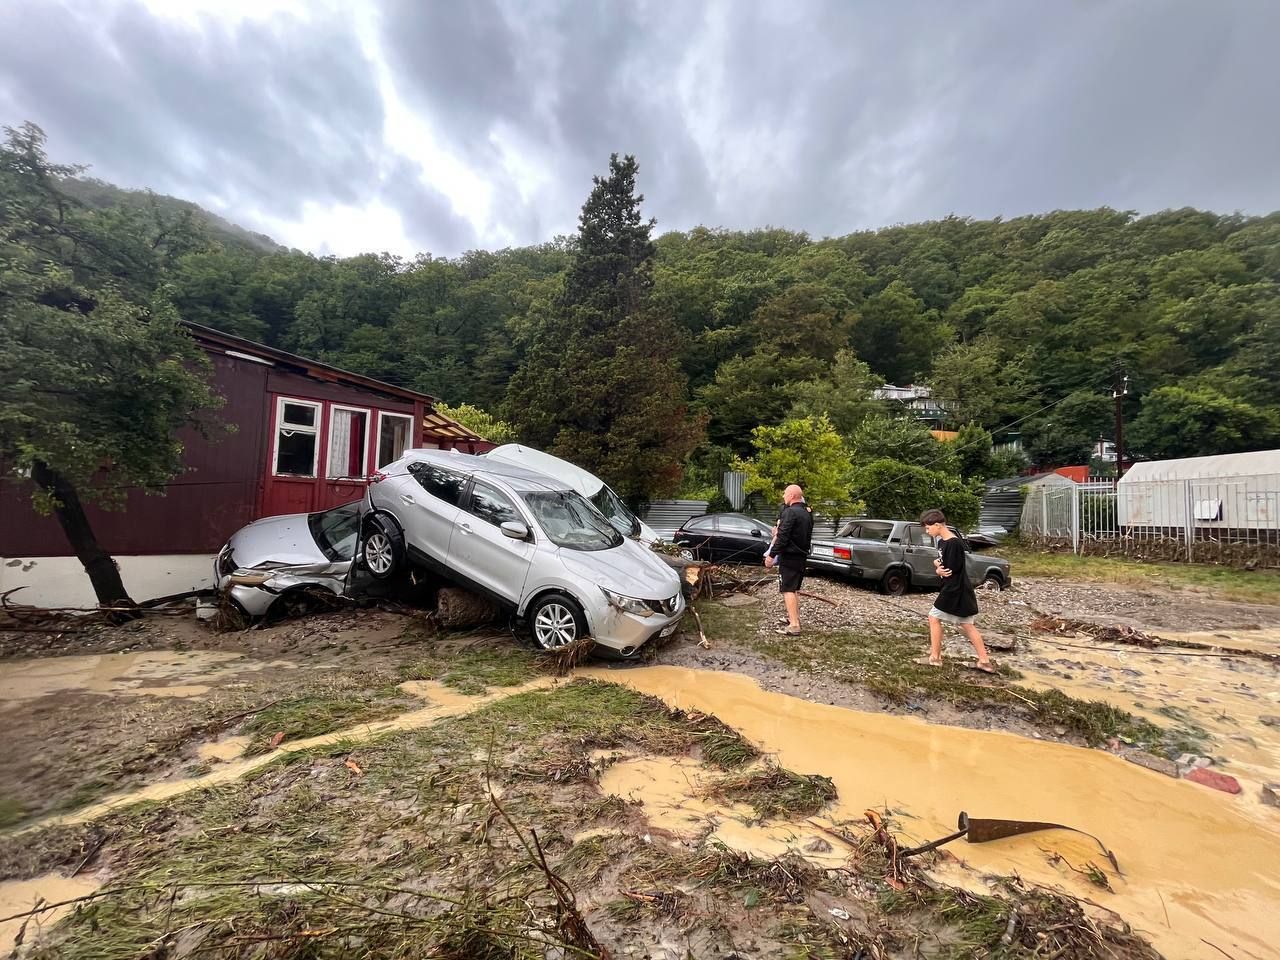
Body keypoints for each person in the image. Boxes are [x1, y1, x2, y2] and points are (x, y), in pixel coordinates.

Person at [919, 508, 995, 673]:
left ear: (938, 525)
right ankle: (984, 661)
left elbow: (950, 569)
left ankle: (935, 658)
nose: (927, 530)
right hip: (953, 587)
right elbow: (941, 561)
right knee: (966, 624)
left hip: (956, 589)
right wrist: (937, 564)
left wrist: (939, 569)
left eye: (928, 527)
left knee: (934, 617)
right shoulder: (942, 542)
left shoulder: (954, 543)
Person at [763, 484, 813, 635]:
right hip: (801, 556)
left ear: (792, 496)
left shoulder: (790, 512)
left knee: (788, 590)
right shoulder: (807, 513)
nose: (783, 496)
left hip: (790, 557)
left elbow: (783, 537)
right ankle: (793, 618)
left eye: (785, 494)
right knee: (794, 589)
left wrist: (771, 555)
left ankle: (795, 626)